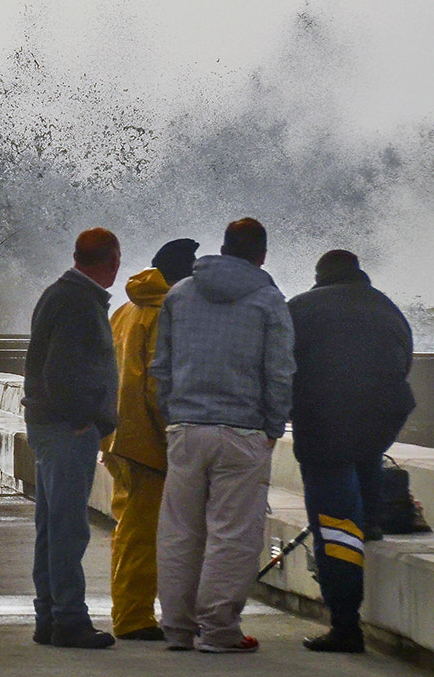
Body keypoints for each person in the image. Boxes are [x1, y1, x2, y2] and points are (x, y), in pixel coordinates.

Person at [150, 218, 294, 654]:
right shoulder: (269, 301)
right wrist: (273, 426)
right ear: (262, 255)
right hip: (243, 432)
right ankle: (218, 630)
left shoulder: (179, 294)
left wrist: (174, 415)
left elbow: (161, 366)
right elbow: (280, 373)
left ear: (223, 248)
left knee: (179, 531)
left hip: (186, 429)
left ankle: (177, 627)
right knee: (232, 534)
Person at [287, 250, 415, 654]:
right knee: (366, 466)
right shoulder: (385, 305)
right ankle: (372, 521)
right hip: (381, 420)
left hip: (324, 426)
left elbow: (281, 366)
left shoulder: (302, 308)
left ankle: (345, 624)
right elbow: (404, 360)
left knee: (336, 523)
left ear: (319, 276)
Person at [23, 227, 121, 649]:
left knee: (51, 524)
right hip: (66, 429)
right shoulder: (79, 301)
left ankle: (49, 616)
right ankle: (69, 620)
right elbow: (61, 370)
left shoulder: (59, 293)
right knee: (67, 528)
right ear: (111, 261)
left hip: (49, 425)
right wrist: (86, 417)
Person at [100, 238, 198, 642]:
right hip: (147, 441)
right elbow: (160, 384)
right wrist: (173, 437)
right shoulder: (164, 312)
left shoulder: (125, 309)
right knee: (143, 534)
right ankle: (134, 617)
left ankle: (130, 610)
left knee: (130, 530)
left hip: (119, 435)